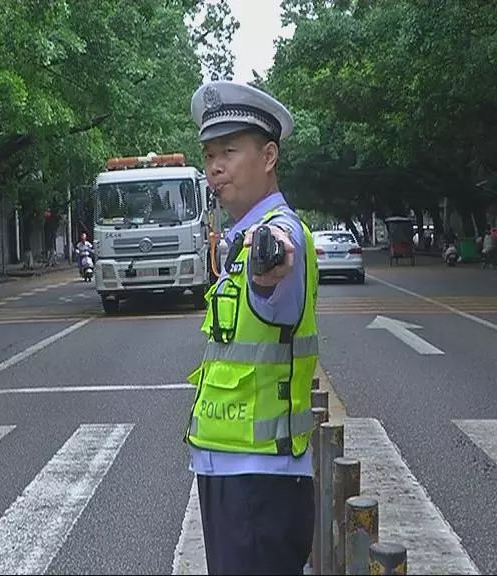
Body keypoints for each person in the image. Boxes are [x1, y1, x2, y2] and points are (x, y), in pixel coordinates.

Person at [184, 80, 319, 575]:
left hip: (262, 480)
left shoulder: (276, 236)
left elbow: (278, 258)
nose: (215, 167)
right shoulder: (239, 241)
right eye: (209, 154)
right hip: (232, 470)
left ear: (268, 157)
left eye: (229, 151)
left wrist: (273, 258)